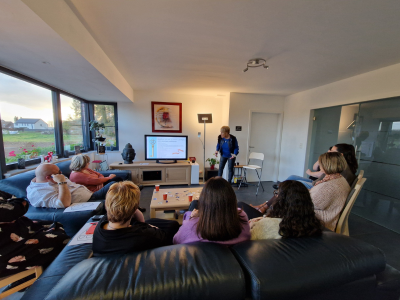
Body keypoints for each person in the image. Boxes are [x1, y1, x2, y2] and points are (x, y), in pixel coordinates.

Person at [250, 152, 350, 231]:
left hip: (312, 220)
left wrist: (296, 193)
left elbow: (309, 203)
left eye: (321, 163)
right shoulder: (336, 179)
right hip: (312, 213)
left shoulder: (330, 186)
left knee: (284, 193)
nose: (320, 166)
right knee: (286, 190)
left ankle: (263, 215)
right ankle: (263, 210)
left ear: (326, 165)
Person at [92, 182, 180, 256]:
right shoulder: (144, 235)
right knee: (173, 226)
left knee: (166, 223)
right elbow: (160, 235)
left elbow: (141, 224)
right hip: (157, 242)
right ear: (134, 209)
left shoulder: (101, 224)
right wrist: (149, 226)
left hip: (127, 229)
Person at [0, 190, 69, 277]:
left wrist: (15, 208)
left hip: (19, 232)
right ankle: (47, 279)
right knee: (58, 239)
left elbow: (19, 203)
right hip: (7, 250)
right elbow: (13, 210)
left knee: (52, 225)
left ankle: (41, 276)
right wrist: (14, 207)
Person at [173, 177, 250, 246]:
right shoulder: (242, 216)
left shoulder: (191, 226)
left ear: (203, 202)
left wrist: (192, 218)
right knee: (194, 203)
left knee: (194, 204)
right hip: (232, 256)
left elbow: (176, 241)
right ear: (233, 200)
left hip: (203, 257)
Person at [238, 181, 323, 240]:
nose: (276, 197)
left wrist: (252, 224)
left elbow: (245, 238)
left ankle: (261, 208)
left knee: (240, 206)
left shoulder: (266, 225)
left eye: (277, 194)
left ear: (282, 202)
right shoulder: (312, 225)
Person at [27, 163, 115, 208]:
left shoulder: (55, 178)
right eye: (58, 173)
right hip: (85, 203)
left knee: (120, 186)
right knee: (119, 201)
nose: (61, 174)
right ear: (48, 177)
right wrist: (61, 183)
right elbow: (63, 204)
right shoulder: (38, 192)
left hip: (92, 195)